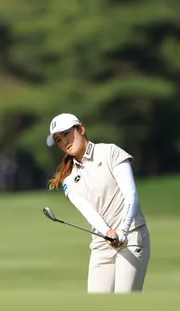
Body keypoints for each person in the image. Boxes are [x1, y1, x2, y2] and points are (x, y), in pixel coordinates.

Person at [46, 113, 150, 294]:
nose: (64, 142)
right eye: (58, 140)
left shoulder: (110, 152)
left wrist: (123, 231)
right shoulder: (68, 178)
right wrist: (108, 232)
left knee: (124, 304)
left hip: (132, 236)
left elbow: (131, 194)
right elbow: (88, 211)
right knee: (97, 305)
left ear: (81, 129)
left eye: (66, 134)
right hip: (102, 243)